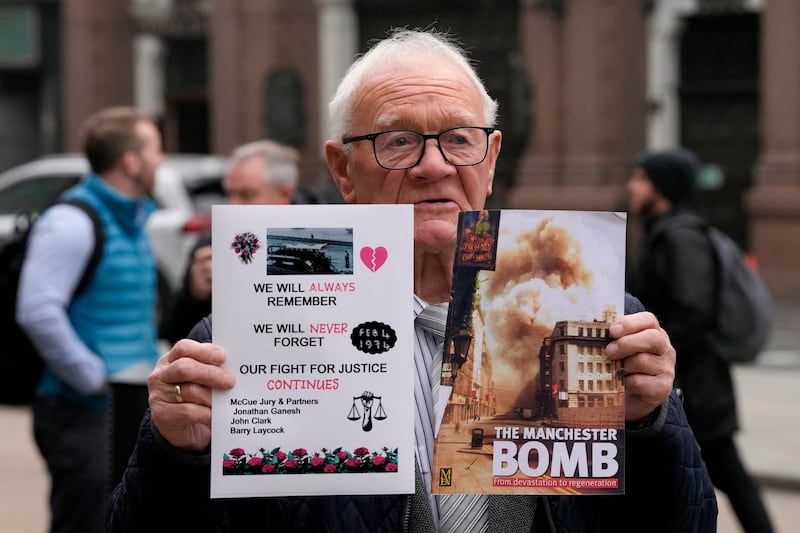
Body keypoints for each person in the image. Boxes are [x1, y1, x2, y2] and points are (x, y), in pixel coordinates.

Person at [107, 29, 717, 532]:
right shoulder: (241, 337)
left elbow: (686, 525)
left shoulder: (596, 319)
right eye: (398, 142)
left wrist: (647, 427)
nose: (434, 166)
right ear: (343, 169)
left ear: (491, 157)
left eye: (459, 140)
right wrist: (176, 457)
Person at [16, 106, 163, 533]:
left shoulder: (133, 218)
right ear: (130, 161)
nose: (162, 159)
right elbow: (37, 310)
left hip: (124, 404)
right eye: (155, 148)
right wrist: (92, 377)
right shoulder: (72, 222)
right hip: (81, 411)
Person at [626, 148, 774, 533]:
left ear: (662, 187)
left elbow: (694, 312)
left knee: (726, 476)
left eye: (641, 178)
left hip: (697, 386)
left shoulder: (681, 237)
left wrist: (656, 345)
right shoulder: (664, 232)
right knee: (711, 477)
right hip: (686, 382)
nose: (632, 186)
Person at [163, 140, 300, 343]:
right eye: (229, 194)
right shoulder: (212, 244)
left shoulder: (322, 233)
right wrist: (195, 295)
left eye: (247, 195)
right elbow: (177, 338)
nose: (232, 205)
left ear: (283, 195)